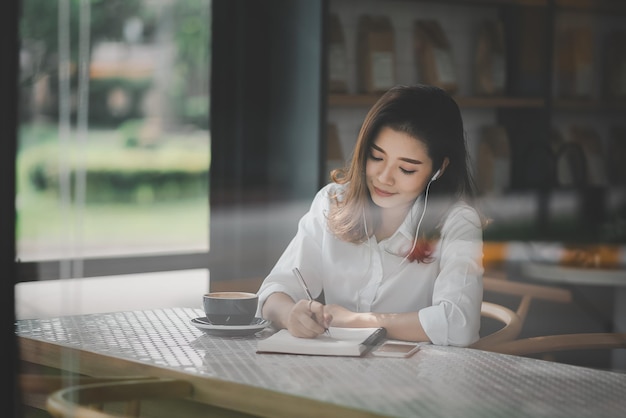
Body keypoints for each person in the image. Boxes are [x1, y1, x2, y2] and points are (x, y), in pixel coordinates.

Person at [256, 84, 486, 347]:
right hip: (331, 374)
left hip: (415, 378)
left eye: (406, 169)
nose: (384, 178)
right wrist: (289, 315)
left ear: (439, 169)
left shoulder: (457, 222)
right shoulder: (333, 202)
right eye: (376, 157)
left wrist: (356, 320)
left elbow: (458, 325)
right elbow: (273, 292)